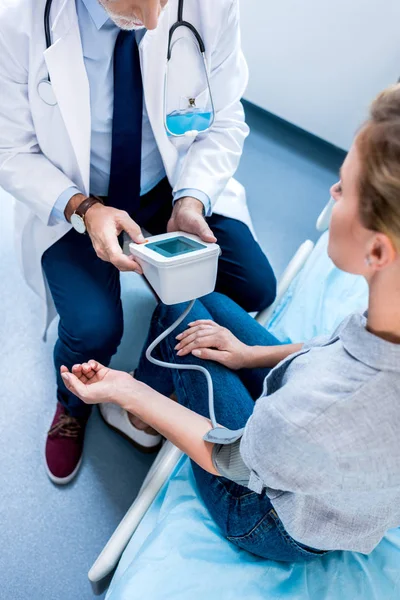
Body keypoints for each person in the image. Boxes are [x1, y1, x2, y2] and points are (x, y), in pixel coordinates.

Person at [60, 84, 400, 560]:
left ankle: (137, 418)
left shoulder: (324, 407)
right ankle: (153, 391)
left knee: (180, 318)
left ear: (378, 250)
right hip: (313, 456)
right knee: (208, 306)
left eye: (344, 188)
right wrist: (246, 355)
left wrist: (126, 389)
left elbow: (229, 459)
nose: (332, 190)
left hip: (265, 511)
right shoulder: (389, 318)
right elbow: (337, 345)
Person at [0, 0, 276, 484]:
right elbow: (10, 149)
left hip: (172, 182)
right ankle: (71, 403)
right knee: (93, 329)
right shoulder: (17, 19)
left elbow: (227, 119)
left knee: (252, 286)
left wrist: (191, 198)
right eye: (136, 2)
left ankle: (160, 362)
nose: (153, 23)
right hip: (77, 194)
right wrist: (82, 209)